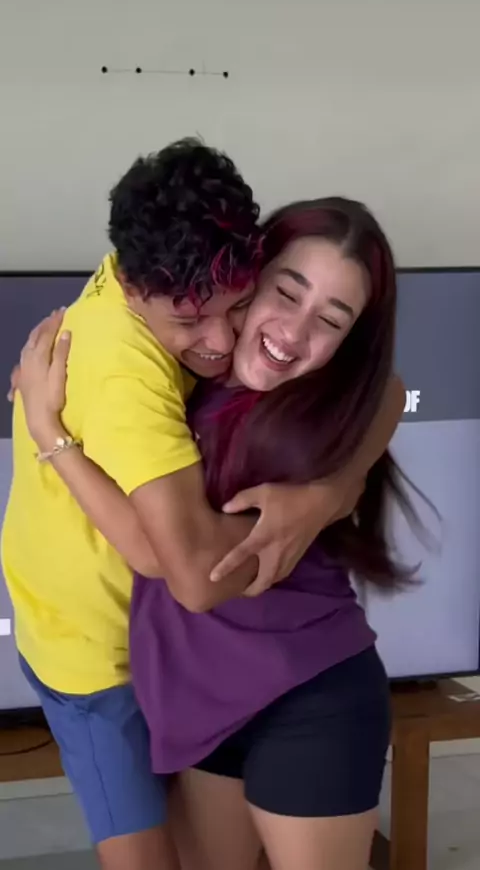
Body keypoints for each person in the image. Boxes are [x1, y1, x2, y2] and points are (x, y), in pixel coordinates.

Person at [2, 141, 403, 870]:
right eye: (283, 293)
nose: (223, 339)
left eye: (332, 318)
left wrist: (324, 492)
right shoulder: (155, 372)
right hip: (177, 692)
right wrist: (50, 432)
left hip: (300, 690)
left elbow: (190, 576)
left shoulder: (300, 407)